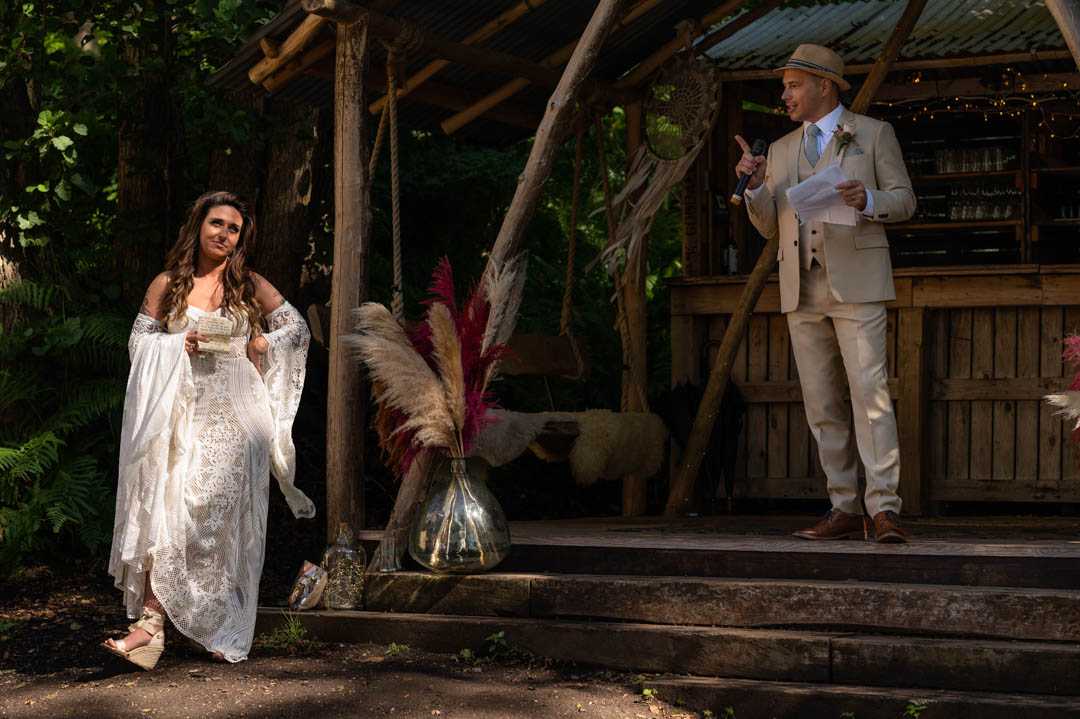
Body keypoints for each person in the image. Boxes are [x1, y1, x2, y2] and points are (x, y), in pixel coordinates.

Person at [104, 191, 315, 669]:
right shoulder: (168, 284)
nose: (224, 234)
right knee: (170, 509)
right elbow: (140, 343)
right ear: (198, 226)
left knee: (221, 524)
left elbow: (297, 330)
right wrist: (181, 344)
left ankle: (203, 625)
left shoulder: (249, 284)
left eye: (234, 228)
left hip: (240, 417)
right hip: (184, 412)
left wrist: (260, 341)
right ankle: (154, 624)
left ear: (242, 238)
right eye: (216, 223)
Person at [734, 44, 915, 543]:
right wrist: (753, 188)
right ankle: (843, 508)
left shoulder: (874, 134)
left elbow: (905, 200)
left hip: (857, 282)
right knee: (821, 404)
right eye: (785, 85)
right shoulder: (782, 149)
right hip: (801, 285)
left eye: (793, 85)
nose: (785, 94)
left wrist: (869, 198)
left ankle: (884, 510)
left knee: (869, 396)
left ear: (824, 86)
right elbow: (771, 227)